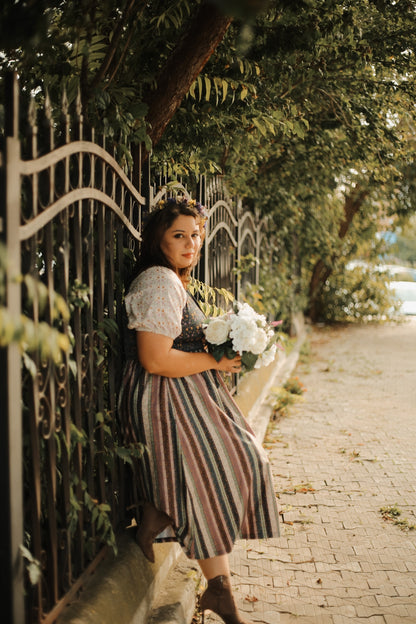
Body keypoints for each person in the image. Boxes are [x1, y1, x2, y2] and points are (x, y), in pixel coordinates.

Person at [118, 197, 279, 624]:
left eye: (196, 235)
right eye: (179, 236)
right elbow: (154, 359)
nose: (191, 244)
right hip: (163, 399)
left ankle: (212, 580)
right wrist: (214, 360)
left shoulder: (172, 280)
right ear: (159, 240)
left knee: (230, 469)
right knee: (231, 467)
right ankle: (215, 584)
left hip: (183, 396)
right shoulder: (158, 281)